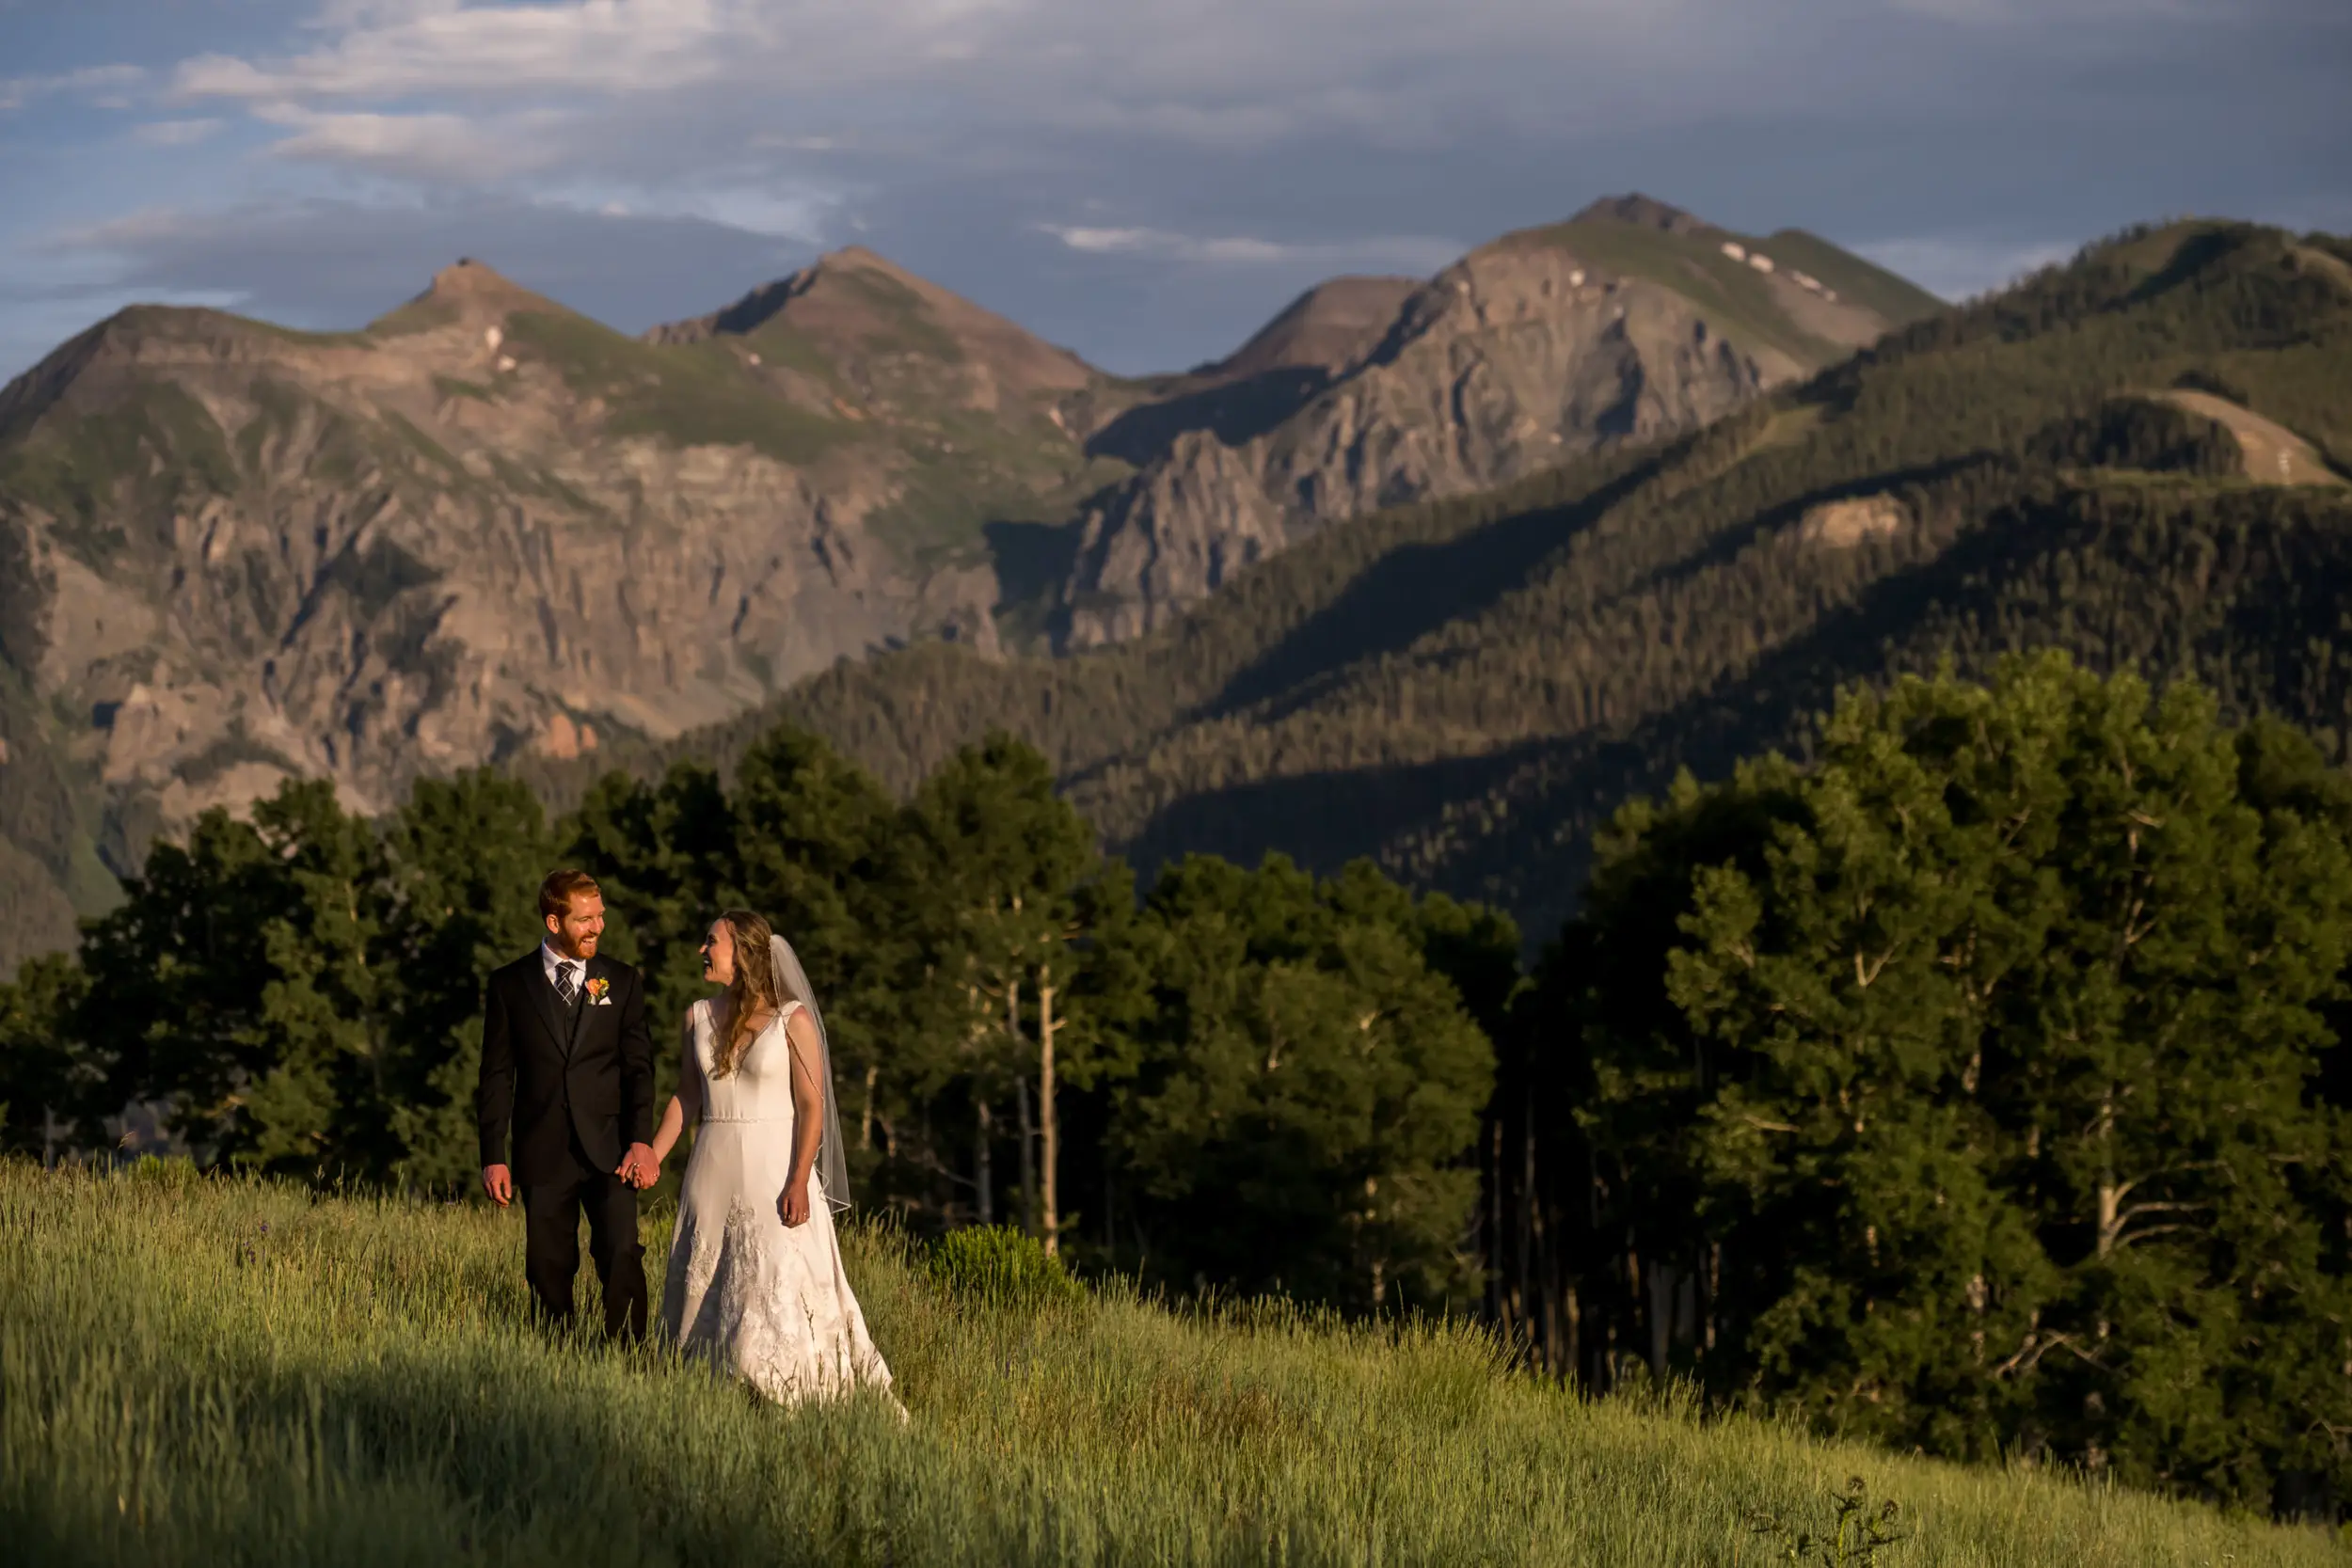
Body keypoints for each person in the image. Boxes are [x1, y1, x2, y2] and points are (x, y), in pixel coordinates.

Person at [639, 908, 898, 1407]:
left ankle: (786, 1391)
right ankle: (702, 1391)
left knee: (771, 1282)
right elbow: (687, 1098)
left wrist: (800, 1179)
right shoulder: (696, 1015)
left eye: (711, 942)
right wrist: (653, 1154)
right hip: (711, 1171)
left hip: (774, 1174)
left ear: (743, 954)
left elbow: (811, 1105)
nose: (702, 950)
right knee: (704, 1279)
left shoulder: (792, 1020)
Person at [474, 869, 657, 1339]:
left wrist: (641, 1141)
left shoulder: (622, 980)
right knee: (548, 1266)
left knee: (621, 1253)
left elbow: (639, 1070)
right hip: (543, 1149)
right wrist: (493, 1155)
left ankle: (630, 1361)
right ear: (554, 923)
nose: (597, 927)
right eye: (584, 919)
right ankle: (558, 1360)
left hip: (611, 1149)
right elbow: (496, 1076)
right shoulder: (509, 985)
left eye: (600, 916)